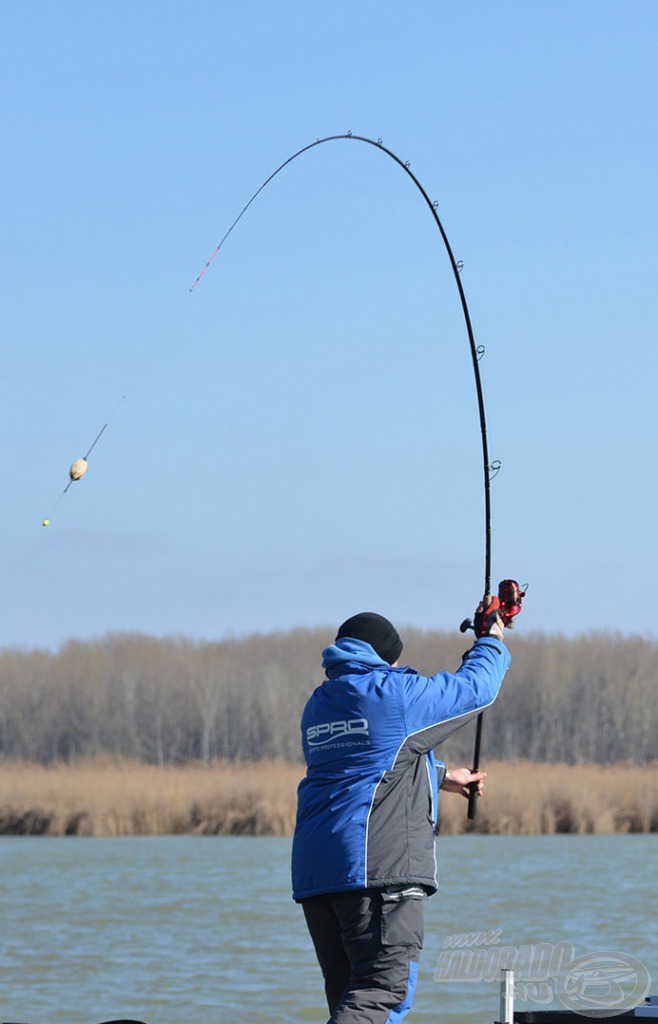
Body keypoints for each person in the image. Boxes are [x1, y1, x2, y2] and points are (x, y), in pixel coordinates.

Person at [291, 602, 511, 1024]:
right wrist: (491, 639)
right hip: (376, 871)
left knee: (350, 999)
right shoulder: (393, 695)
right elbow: (476, 688)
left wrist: (443, 777)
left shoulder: (321, 704)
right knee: (383, 992)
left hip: (319, 875)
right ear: (385, 657)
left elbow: (365, 764)